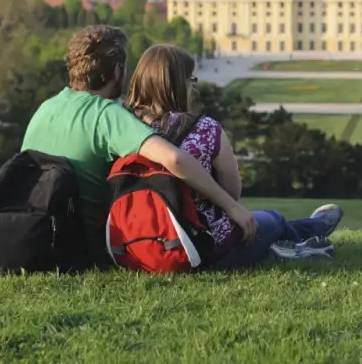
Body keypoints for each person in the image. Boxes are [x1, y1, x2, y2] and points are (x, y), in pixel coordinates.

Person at [21, 26, 257, 267]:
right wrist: (231, 206)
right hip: (92, 247)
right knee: (271, 222)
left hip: (40, 238)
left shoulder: (46, 108)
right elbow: (174, 159)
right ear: (116, 70)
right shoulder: (107, 114)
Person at [125, 44, 341, 268]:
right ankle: (313, 229)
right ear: (181, 84)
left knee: (264, 221)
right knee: (272, 218)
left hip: (139, 244)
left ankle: (299, 237)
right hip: (201, 245)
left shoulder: (122, 127)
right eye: (191, 80)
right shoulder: (206, 129)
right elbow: (232, 191)